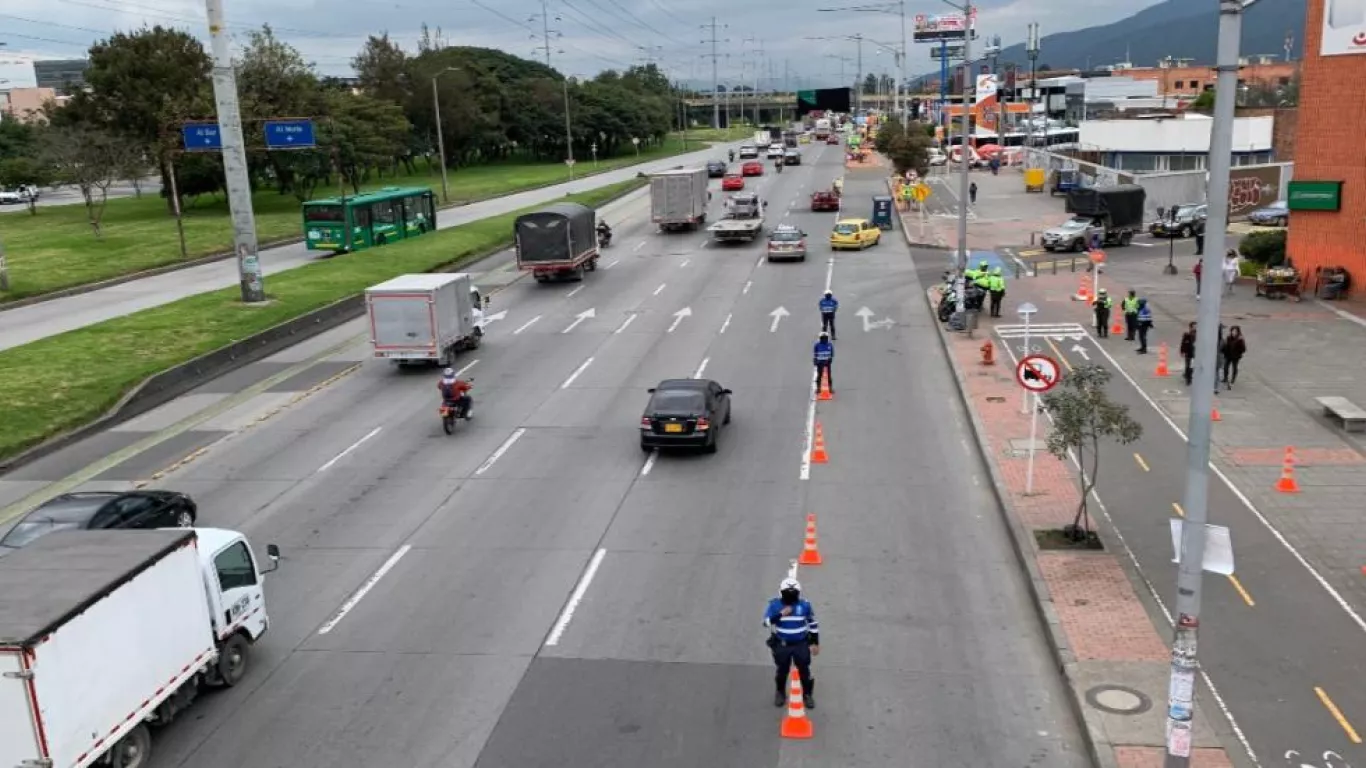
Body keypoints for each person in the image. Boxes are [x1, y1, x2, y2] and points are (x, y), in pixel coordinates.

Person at [763, 577, 820, 709]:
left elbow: (812, 623)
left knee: (804, 670)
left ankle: (807, 695)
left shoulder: (804, 605)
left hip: (801, 644)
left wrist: (814, 642)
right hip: (782, 644)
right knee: (782, 670)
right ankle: (780, 692)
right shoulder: (775, 605)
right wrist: (780, 614)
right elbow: (766, 623)